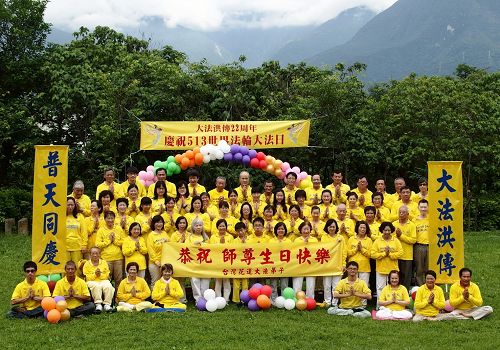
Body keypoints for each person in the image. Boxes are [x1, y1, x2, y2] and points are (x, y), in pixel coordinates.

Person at [370, 222, 403, 300]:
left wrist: (390, 255)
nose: (387, 232)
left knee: (393, 287)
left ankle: (391, 304)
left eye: (389, 230)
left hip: (393, 269)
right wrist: (384, 254)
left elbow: (401, 253)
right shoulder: (377, 241)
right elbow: (373, 254)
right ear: (382, 230)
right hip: (381, 269)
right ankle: (380, 306)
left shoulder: (396, 241)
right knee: (380, 288)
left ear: (391, 230)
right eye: (385, 230)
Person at [321, 219, 346, 306]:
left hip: (337, 265)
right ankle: (327, 301)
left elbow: (344, 252)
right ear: (327, 227)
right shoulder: (323, 237)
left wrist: (344, 264)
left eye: (333, 227)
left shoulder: (341, 238)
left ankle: (335, 303)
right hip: (327, 265)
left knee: (336, 286)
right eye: (330, 226)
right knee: (327, 285)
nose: (332, 228)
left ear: (336, 228)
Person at [95, 211, 124, 287]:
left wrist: (115, 241)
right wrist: (108, 241)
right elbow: (97, 244)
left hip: (118, 258)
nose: (110, 220)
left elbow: (124, 242)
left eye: (112, 218)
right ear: (105, 219)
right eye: (108, 218)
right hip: (106, 259)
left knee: (119, 279)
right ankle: (108, 298)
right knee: (106, 279)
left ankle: (118, 298)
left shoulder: (118, 228)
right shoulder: (101, 230)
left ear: (114, 219)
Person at [82, 247, 115, 312]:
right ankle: (98, 304)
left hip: (103, 280)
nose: (95, 255)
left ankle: (107, 304)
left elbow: (107, 275)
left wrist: (100, 275)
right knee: (96, 286)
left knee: (108, 285)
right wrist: (95, 275)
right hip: (91, 281)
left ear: (99, 254)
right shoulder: (86, 264)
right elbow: (87, 277)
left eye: (97, 253)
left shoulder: (104, 262)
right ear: (90, 254)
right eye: (93, 253)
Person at [209, 219, 234, 301]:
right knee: (218, 280)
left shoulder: (230, 237)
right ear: (217, 227)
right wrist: (220, 244)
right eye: (220, 226)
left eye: (223, 226)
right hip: (217, 261)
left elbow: (233, 249)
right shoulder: (213, 237)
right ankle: (218, 298)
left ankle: (226, 299)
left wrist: (224, 244)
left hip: (227, 261)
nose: (222, 227)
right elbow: (212, 249)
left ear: (226, 227)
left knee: (226, 280)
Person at [393, 205, 417, 289]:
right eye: (399, 212)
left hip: (407, 256)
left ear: (408, 214)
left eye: (403, 212)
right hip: (395, 255)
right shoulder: (394, 224)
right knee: (396, 277)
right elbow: (391, 239)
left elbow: (413, 240)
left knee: (406, 278)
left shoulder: (412, 225)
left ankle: (405, 295)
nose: (401, 214)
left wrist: (401, 236)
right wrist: (397, 236)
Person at [186, 218, 210, 302]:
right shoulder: (189, 237)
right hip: (194, 263)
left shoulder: (206, 238)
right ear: (193, 227)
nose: (198, 227)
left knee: (205, 282)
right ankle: (198, 300)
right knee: (195, 281)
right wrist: (194, 245)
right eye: (196, 225)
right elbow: (186, 248)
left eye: (200, 225)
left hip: (204, 263)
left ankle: (205, 299)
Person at [292, 222, 317, 299]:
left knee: (310, 285)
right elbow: (294, 251)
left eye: (308, 229)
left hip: (311, 265)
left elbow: (316, 251)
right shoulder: (296, 240)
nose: (306, 231)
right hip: (299, 265)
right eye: (304, 229)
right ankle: (297, 300)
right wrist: (304, 243)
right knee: (297, 285)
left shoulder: (314, 240)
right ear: (300, 230)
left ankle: (310, 301)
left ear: (310, 230)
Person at [269, 222, 291, 302]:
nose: (281, 230)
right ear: (275, 230)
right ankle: (273, 300)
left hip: (285, 266)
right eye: (279, 229)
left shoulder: (288, 241)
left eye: (282, 229)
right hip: (274, 265)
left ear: (285, 230)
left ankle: (284, 300)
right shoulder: (271, 241)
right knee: (273, 284)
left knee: (284, 284)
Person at [347, 221, 372, 288]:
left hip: (364, 268)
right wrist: (356, 249)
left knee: (363, 287)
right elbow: (347, 253)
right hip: (352, 268)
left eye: (364, 228)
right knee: (352, 286)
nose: (362, 229)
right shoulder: (351, 239)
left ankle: (364, 299)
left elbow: (371, 254)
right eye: (361, 227)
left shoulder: (369, 240)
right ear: (357, 228)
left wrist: (362, 249)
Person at [146, 215, 169, 289]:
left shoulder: (164, 233)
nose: (159, 224)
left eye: (161, 222)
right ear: (153, 224)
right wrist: (156, 261)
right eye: (157, 222)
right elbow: (150, 250)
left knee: (165, 281)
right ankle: (155, 299)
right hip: (155, 264)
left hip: (165, 262)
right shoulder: (151, 235)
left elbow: (171, 246)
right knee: (155, 281)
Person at [66, 197, 88, 263]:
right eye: (68, 205)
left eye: (72, 205)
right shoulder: (61, 216)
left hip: (77, 247)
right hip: (64, 247)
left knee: (77, 268)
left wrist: (84, 245)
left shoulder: (80, 216)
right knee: (65, 268)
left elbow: (84, 232)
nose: (70, 207)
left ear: (75, 206)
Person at [232, 222, 249, 303]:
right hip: (237, 264)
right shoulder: (234, 241)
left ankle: (245, 299)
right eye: (238, 231)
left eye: (242, 230)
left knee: (245, 283)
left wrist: (244, 244)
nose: (240, 232)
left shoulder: (249, 240)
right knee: (236, 283)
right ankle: (236, 299)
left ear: (245, 230)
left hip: (246, 264)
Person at [413, 199, 429, 286]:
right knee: (419, 268)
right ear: (418, 207)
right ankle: (420, 286)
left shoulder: (431, 219)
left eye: (425, 207)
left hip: (429, 246)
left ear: (428, 207)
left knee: (428, 268)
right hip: (418, 246)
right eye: (421, 207)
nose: (423, 209)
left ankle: (429, 285)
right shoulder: (414, 220)